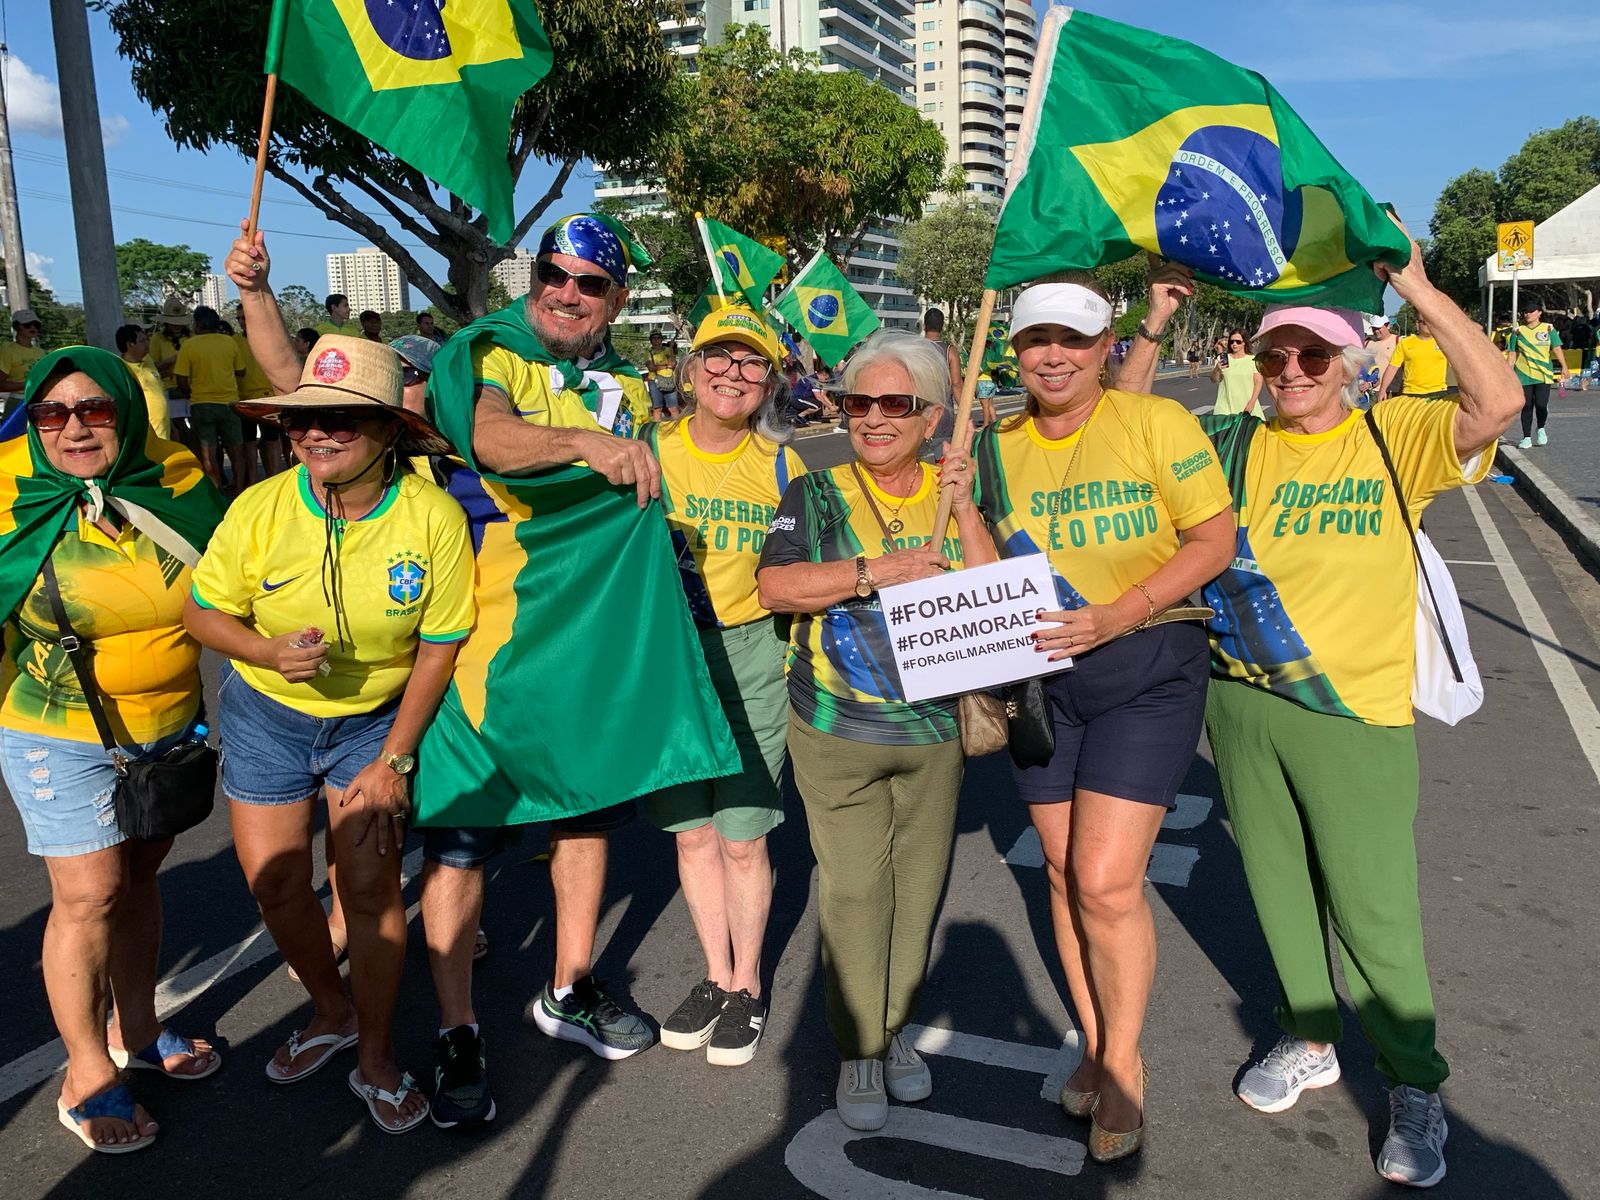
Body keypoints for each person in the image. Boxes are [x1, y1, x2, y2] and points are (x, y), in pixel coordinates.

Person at [1198, 222, 1523, 1189]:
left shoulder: (1394, 434)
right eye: (1276, 357)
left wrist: (1419, 290)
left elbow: (1500, 400)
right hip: (1243, 702)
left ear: (1348, 361)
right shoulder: (1233, 442)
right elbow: (1130, 448)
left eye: (1313, 355)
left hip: (1357, 713)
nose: (1293, 371)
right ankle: (1308, 1036)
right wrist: (1160, 317)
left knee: (1374, 913)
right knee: (1278, 891)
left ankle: (1415, 1081)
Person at [407, 212, 669, 1127]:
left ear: (616, 300)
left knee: (584, 817)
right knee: (461, 844)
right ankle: (456, 1030)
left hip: (581, 639)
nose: (566, 293)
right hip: (478, 643)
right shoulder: (492, 354)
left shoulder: (626, 384)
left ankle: (570, 985)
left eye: (589, 283)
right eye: (552, 274)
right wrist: (582, 442)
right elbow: (491, 438)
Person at [967, 275, 1235, 1165]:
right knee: (1058, 869)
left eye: (1073, 340)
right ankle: (1092, 1039)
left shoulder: (1156, 422)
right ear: (1014, 349)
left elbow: (1214, 540)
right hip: (1043, 682)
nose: (1053, 356)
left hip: (1146, 666)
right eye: (1035, 340)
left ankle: (1123, 1061)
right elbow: (983, 573)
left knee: (1107, 882)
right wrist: (961, 503)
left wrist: (1115, 615)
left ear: (1104, 346)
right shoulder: (993, 445)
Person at [184, 336, 473, 1135]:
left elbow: (440, 645)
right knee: (275, 885)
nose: (316, 434)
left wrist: (395, 758)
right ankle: (329, 1009)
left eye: (341, 419)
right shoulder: (259, 507)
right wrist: (263, 651)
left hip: (373, 725)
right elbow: (202, 611)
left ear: (389, 431)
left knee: (372, 890)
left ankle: (375, 1055)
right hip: (265, 717)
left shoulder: (433, 517)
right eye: (301, 420)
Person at [757, 330, 992, 1133]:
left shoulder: (953, 489)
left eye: (897, 403)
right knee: (856, 891)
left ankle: (892, 1029)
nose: (875, 417)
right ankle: (858, 1046)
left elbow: (998, 597)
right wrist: (877, 571)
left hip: (936, 732)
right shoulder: (815, 492)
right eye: (860, 401)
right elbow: (776, 587)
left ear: (932, 418)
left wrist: (966, 507)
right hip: (836, 730)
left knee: (918, 891)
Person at [0, 346, 227, 1153]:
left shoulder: (174, 480)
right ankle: (87, 1072)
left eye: (95, 409)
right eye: (51, 413)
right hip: (55, 728)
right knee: (89, 894)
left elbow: (234, 575)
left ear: (126, 415)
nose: (73, 429)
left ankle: (139, 1027)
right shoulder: (9, 494)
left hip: (168, 730)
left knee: (136, 881)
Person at [642, 305, 804, 1067]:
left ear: (768, 382)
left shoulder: (782, 466)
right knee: (693, 834)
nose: (731, 374)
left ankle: (748, 985)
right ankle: (713, 974)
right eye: (718, 356)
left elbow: (804, 567)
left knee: (742, 837)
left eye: (750, 362)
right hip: (668, 659)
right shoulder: (647, 450)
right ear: (689, 367)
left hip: (750, 654)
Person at [173, 306, 246, 495]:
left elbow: (181, 379)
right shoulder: (229, 342)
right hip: (230, 403)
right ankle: (239, 489)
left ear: (198, 324)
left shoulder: (189, 345)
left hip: (201, 403)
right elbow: (241, 371)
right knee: (236, 450)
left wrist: (190, 392)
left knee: (208, 452)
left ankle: (216, 490)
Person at [1507, 302, 1567, 448]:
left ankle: (1541, 428)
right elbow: (1512, 354)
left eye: (1531, 311)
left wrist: (1564, 366)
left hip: (1544, 373)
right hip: (1523, 374)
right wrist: (1507, 374)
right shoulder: (1517, 332)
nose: (1527, 314)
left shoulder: (1548, 329)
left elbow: (1557, 348)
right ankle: (1526, 437)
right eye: (1525, 312)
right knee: (1526, 405)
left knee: (1541, 404)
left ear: (1539, 312)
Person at [234, 304, 282, 483]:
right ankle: (254, 481)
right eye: (239, 318)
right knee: (249, 442)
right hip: (243, 398)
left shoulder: (270, 338)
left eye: (244, 317)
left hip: (268, 397)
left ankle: (275, 478)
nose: (241, 322)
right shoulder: (234, 341)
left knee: (271, 440)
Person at [114, 325, 172, 440]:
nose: (147, 343)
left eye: (147, 339)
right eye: (142, 341)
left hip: (163, 431)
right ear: (130, 344)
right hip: (145, 436)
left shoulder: (148, 360)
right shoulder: (122, 370)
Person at [1379, 314, 1450, 402]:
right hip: (1411, 394)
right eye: (1425, 322)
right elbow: (1393, 367)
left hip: (1438, 393)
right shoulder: (1405, 343)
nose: (1429, 325)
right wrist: (1383, 389)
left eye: (1432, 322)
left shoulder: (1444, 343)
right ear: (1417, 324)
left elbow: (1458, 367)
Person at [1210, 327, 1263, 418]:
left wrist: (1252, 403)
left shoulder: (1252, 360)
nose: (1234, 344)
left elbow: (1258, 383)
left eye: (1238, 342)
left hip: (1246, 407)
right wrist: (1217, 368)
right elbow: (1215, 380)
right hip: (1224, 409)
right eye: (1232, 341)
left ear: (1244, 342)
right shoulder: (1223, 358)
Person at [0, 306, 45, 404]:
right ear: (16, 327)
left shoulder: (40, 352)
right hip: (18, 401)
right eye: (27, 324)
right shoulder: (8, 349)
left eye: (36, 324)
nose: (33, 327)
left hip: (38, 400)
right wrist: (27, 385)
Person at [645, 329, 680, 419]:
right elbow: (651, 367)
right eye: (654, 338)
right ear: (651, 340)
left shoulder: (668, 350)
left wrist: (671, 348)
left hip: (669, 380)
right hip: (654, 380)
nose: (656, 340)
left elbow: (673, 363)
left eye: (658, 337)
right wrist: (666, 366)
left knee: (674, 408)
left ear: (661, 339)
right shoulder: (648, 352)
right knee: (657, 409)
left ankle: (677, 426)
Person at [1567, 311, 1595, 392]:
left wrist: (1569, 346)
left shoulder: (1575, 327)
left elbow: (1570, 337)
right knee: (1582, 362)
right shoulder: (1586, 327)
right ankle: (1582, 378)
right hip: (1584, 347)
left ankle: (1576, 376)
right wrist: (1589, 345)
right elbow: (1590, 337)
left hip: (1575, 347)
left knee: (1574, 362)